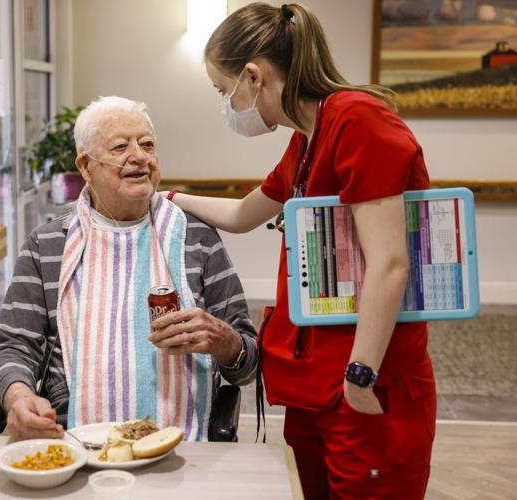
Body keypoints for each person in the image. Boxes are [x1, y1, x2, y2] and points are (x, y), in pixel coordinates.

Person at [166, 3, 436, 498]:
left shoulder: (359, 121)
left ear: (253, 75)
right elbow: (245, 214)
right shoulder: (308, 138)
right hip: (315, 386)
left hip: (364, 381)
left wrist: (360, 376)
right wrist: (169, 198)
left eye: (225, 92)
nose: (228, 105)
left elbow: (391, 265)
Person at [0, 96, 257, 443]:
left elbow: (247, 365)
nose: (140, 156)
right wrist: (19, 397)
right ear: (86, 167)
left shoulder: (197, 239)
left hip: (180, 446)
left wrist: (225, 342)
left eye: (147, 145)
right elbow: (13, 347)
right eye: (120, 147)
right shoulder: (47, 246)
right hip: (73, 440)